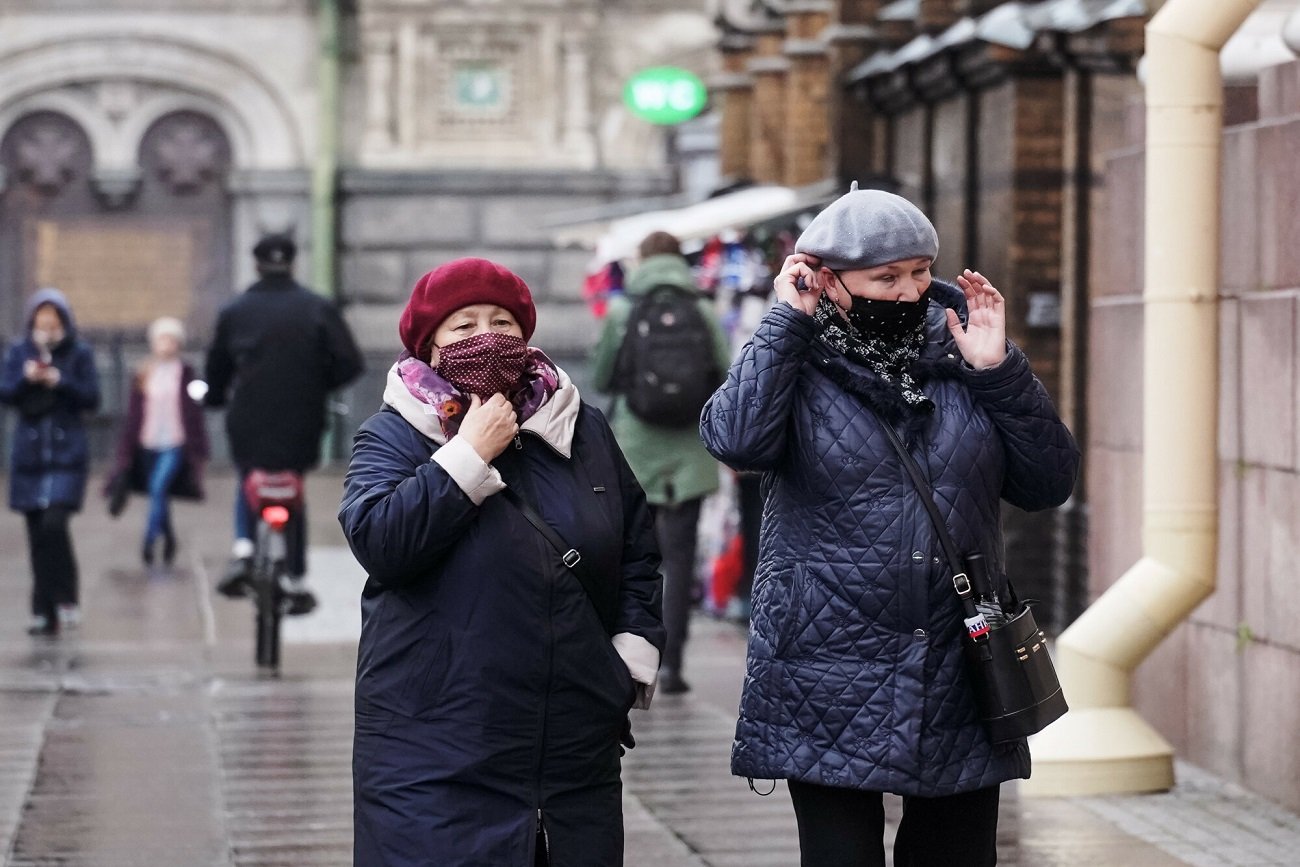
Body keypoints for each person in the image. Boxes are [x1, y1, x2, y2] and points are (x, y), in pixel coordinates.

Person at [699, 187, 1080, 867]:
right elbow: (736, 439)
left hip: (959, 664)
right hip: (826, 667)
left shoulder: (965, 359)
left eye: (918, 272)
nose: (908, 292)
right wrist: (787, 322)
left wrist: (1001, 373)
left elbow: (1048, 483)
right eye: (886, 277)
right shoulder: (794, 362)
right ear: (827, 278)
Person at [340, 258, 665, 866]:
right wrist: (467, 455)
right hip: (437, 746)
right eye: (463, 326)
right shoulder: (394, 434)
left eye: (502, 322)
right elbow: (381, 542)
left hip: (572, 750)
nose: (486, 337)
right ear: (431, 346)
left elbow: (638, 553)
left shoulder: (581, 428)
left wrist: (624, 664)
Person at [590, 230, 730, 694]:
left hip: (635, 452)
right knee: (680, 559)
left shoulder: (621, 310)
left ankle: (631, 659)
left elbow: (604, 377)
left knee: (633, 562)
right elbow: (726, 373)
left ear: (642, 261)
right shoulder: (704, 309)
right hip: (690, 452)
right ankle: (673, 667)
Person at [205, 234, 363, 611]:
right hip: (302, 417)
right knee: (293, 486)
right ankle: (295, 576)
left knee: (249, 478)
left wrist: (214, 397)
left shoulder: (235, 310)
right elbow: (350, 363)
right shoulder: (317, 308)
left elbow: (217, 369)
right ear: (292, 263)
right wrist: (318, 385)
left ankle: (243, 552)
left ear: (256, 264)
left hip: (249, 417)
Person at [0, 288, 100, 636]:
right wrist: (26, 377)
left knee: (54, 525)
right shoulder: (18, 352)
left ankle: (66, 596)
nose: (47, 327)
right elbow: (7, 392)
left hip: (65, 453)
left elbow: (91, 398)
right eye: (41, 321)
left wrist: (60, 379)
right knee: (36, 535)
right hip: (29, 455)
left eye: (53, 320)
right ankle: (43, 609)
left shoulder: (79, 354)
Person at [106, 316, 209, 566]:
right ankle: (170, 537)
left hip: (175, 442)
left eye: (171, 339)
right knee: (158, 493)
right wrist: (126, 450)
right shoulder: (143, 373)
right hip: (148, 442)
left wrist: (199, 445)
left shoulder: (186, 373)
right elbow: (134, 414)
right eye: (162, 339)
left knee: (158, 488)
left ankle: (149, 541)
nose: (166, 344)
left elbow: (195, 409)